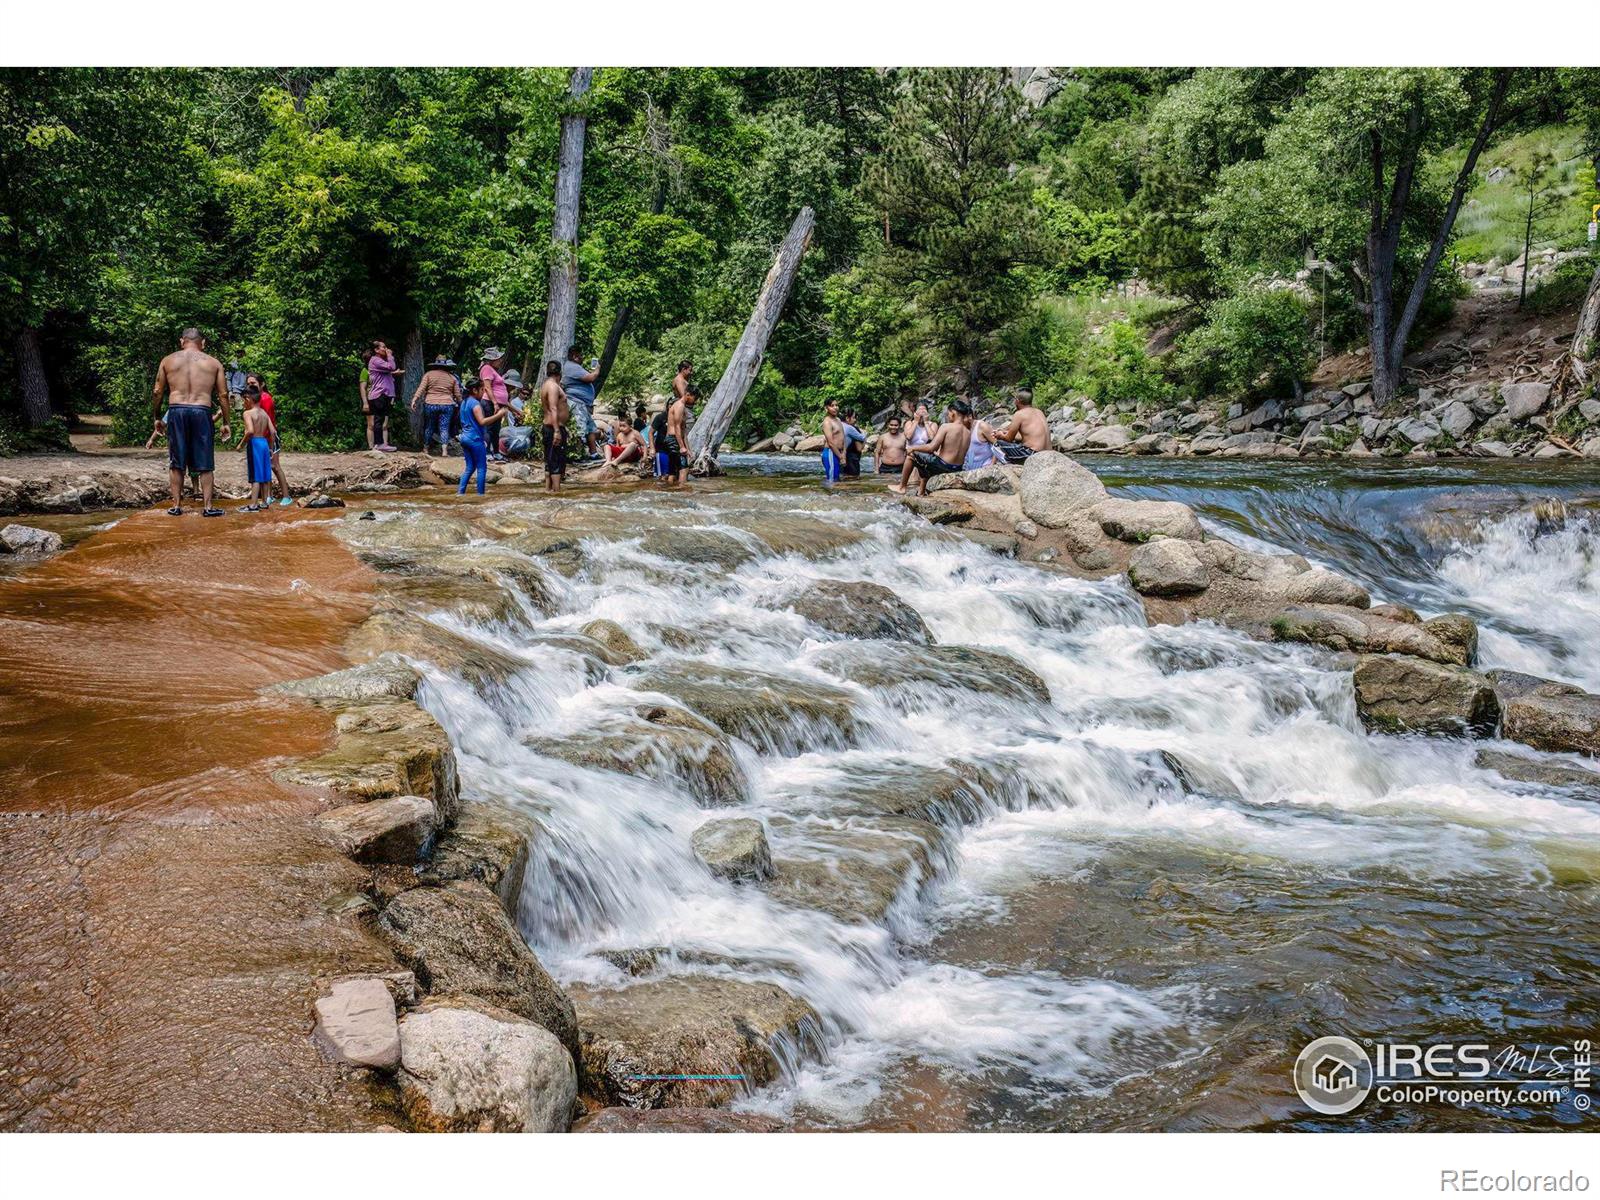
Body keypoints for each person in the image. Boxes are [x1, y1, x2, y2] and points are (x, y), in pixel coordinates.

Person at [151, 327, 231, 517]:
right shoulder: (213, 363)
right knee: (205, 462)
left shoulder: (168, 360)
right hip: (201, 410)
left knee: (176, 461)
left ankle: (177, 506)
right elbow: (223, 395)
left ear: (182, 341)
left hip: (176, 409)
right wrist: (226, 422)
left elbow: (157, 392)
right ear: (202, 343)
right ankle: (208, 507)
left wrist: (156, 417)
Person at [895, 401, 973, 497]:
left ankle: (901, 487)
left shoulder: (946, 427)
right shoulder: (968, 432)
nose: (948, 416)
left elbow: (932, 448)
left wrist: (912, 448)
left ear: (953, 412)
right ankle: (921, 492)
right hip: (957, 468)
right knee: (925, 461)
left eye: (948, 413)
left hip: (943, 467)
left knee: (912, 455)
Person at [246, 372, 293, 507]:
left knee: (274, 466)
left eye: (253, 383)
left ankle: (286, 496)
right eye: (248, 384)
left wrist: (267, 443)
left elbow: (265, 421)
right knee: (264, 466)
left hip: (267, 437)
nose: (251, 386)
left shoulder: (265, 399)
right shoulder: (258, 398)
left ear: (262, 384)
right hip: (261, 438)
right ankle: (268, 497)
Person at [457, 378, 508, 496]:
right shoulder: (475, 403)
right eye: (482, 390)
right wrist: (499, 415)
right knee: (481, 468)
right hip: (475, 439)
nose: (483, 393)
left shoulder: (464, 402)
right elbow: (482, 421)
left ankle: (460, 493)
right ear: (474, 390)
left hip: (465, 438)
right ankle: (481, 495)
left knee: (470, 467)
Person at [411, 355, 461, 457]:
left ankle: (425, 449)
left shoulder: (429, 375)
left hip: (431, 403)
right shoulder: (452, 377)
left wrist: (414, 399)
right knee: (444, 427)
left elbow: (421, 388)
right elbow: (457, 394)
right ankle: (444, 451)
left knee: (429, 426)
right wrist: (462, 404)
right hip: (447, 405)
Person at [238, 386, 277, 512]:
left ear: (248, 399)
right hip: (264, 444)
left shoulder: (247, 413)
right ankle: (264, 502)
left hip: (254, 443)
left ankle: (253, 504)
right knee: (265, 474)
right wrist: (271, 448)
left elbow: (250, 431)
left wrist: (241, 445)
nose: (243, 403)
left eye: (244, 400)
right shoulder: (264, 413)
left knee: (255, 475)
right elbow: (272, 431)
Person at [560, 346, 601, 460]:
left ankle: (593, 453)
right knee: (580, 430)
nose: (583, 357)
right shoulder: (571, 367)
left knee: (591, 429)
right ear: (575, 356)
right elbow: (591, 377)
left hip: (583, 404)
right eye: (581, 355)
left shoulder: (575, 367)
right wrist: (597, 369)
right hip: (577, 403)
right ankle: (578, 455)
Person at [538, 358, 570, 493]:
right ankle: (557, 493)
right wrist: (557, 430)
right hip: (553, 428)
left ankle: (548, 490)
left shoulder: (547, 384)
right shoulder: (552, 386)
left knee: (550, 460)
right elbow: (553, 408)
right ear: (560, 372)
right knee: (556, 461)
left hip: (551, 427)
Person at [993, 388, 1049, 463]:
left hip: (1032, 454)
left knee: (997, 444)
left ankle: (1011, 465)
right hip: (1047, 453)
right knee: (1017, 441)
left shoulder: (1019, 414)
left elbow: (1009, 438)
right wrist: (1003, 431)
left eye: (1015, 399)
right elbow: (1024, 434)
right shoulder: (1039, 412)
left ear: (1018, 401)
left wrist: (1000, 435)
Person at [365, 339, 399, 451]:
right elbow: (391, 366)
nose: (386, 349)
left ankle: (381, 444)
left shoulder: (380, 361)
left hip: (385, 394)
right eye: (383, 347)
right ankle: (379, 444)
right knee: (378, 419)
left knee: (382, 418)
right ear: (376, 350)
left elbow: (389, 370)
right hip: (379, 393)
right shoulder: (375, 360)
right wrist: (390, 355)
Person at [893, 402, 936, 492]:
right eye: (919, 410)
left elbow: (932, 438)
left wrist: (926, 422)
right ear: (915, 412)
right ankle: (903, 487)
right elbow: (908, 436)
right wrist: (916, 421)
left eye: (924, 410)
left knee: (921, 485)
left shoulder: (933, 424)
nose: (921, 413)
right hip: (911, 455)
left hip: (926, 456)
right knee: (911, 483)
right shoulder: (909, 423)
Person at [662, 386, 695, 486]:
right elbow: (677, 427)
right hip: (673, 439)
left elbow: (683, 430)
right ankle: (682, 492)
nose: (695, 401)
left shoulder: (682, 407)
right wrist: (681, 447)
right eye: (695, 398)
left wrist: (687, 448)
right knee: (684, 469)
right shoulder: (679, 406)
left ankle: (671, 491)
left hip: (672, 439)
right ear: (688, 394)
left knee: (672, 470)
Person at [494, 368, 526, 461]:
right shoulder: (499, 388)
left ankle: (496, 452)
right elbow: (504, 403)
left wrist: (515, 412)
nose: (512, 388)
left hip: (499, 414)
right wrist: (517, 411)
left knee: (496, 430)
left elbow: (506, 403)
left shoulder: (506, 391)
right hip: (493, 412)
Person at [963, 406, 1000, 471]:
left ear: (970, 416)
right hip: (969, 468)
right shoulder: (962, 429)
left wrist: (992, 464)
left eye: (962, 418)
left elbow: (997, 444)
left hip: (985, 466)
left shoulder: (982, 426)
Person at [820, 399, 846, 484]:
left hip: (839, 452)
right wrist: (841, 457)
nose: (835, 408)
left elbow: (843, 437)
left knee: (837, 478)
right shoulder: (827, 422)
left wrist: (844, 453)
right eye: (832, 406)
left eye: (837, 405)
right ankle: (828, 496)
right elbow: (831, 443)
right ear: (826, 408)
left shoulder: (838, 420)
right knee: (832, 479)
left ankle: (835, 496)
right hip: (831, 453)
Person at [842, 409, 867, 479]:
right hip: (852, 459)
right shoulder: (854, 429)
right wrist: (865, 438)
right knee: (853, 480)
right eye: (853, 417)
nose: (855, 420)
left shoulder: (838, 426)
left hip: (840, 457)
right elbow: (859, 448)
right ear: (847, 418)